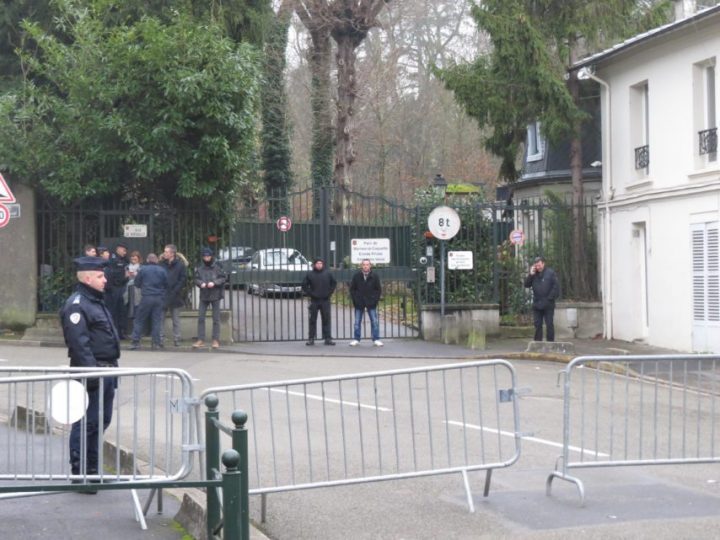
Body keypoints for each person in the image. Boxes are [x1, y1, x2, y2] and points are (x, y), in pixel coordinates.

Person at [59, 256, 120, 492]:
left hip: (106, 370)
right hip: (91, 373)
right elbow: (79, 344)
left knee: (100, 422)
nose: (105, 280)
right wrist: (91, 375)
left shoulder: (95, 301)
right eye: (100, 276)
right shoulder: (77, 304)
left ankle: (93, 472)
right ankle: (81, 473)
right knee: (86, 423)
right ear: (87, 278)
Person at [130, 253, 167, 350]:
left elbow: (137, 283)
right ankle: (156, 343)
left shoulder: (143, 270)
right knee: (156, 320)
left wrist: (144, 286)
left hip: (147, 297)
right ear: (156, 261)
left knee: (139, 319)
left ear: (147, 260)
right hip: (158, 298)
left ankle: (135, 342)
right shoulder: (162, 270)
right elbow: (166, 284)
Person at [193, 247, 227, 349]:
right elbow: (196, 279)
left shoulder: (217, 267)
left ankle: (215, 340)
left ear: (211, 256)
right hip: (204, 295)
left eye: (208, 256)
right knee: (201, 318)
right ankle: (200, 340)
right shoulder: (200, 268)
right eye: (204, 256)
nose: (206, 258)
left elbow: (224, 278)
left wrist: (215, 283)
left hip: (215, 295)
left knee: (216, 319)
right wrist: (201, 283)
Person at [524, 256, 560, 342]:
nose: (538, 267)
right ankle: (537, 343)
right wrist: (530, 275)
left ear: (543, 264)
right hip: (537, 304)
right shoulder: (533, 274)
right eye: (536, 265)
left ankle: (550, 343)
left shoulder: (550, 273)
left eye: (539, 265)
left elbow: (556, 287)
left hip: (548, 304)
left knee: (549, 324)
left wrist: (549, 298)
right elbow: (526, 285)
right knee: (537, 324)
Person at [301, 258, 337, 346]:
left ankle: (327, 338)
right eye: (317, 263)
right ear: (314, 264)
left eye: (321, 263)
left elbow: (334, 283)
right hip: (314, 301)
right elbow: (304, 285)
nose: (319, 265)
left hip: (325, 300)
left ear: (323, 264)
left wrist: (329, 292)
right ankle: (311, 339)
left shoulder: (328, 273)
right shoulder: (310, 274)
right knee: (312, 320)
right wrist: (310, 293)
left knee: (326, 320)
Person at [349, 259, 383, 347]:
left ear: (370, 266)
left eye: (367, 264)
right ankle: (356, 339)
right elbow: (352, 289)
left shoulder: (374, 276)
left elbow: (378, 290)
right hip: (359, 303)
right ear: (361, 266)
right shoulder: (356, 276)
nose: (365, 266)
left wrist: (374, 300)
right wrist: (356, 300)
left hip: (371, 303)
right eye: (364, 264)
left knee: (374, 322)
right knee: (357, 322)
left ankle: (376, 339)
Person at [160, 244, 187, 346]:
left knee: (175, 319)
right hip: (163, 294)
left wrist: (175, 290)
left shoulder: (180, 265)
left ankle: (177, 338)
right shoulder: (162, 264)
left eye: (166, 252)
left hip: (175, 295)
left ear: (172, 253)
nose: (164, 253)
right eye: (164, 251)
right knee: (160, 318)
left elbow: (183, 279)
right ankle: (160, 338)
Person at [104, 243, 130, 339]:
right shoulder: (113, 260)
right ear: (118, 249)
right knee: (114, 311)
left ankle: (121, 332)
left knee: (121, 311)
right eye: (124, 250)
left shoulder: (124, 260)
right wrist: (125, 277)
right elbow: (115, 276)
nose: (125, 252)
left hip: (121, 288)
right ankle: (114, 333)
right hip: (115, 288)